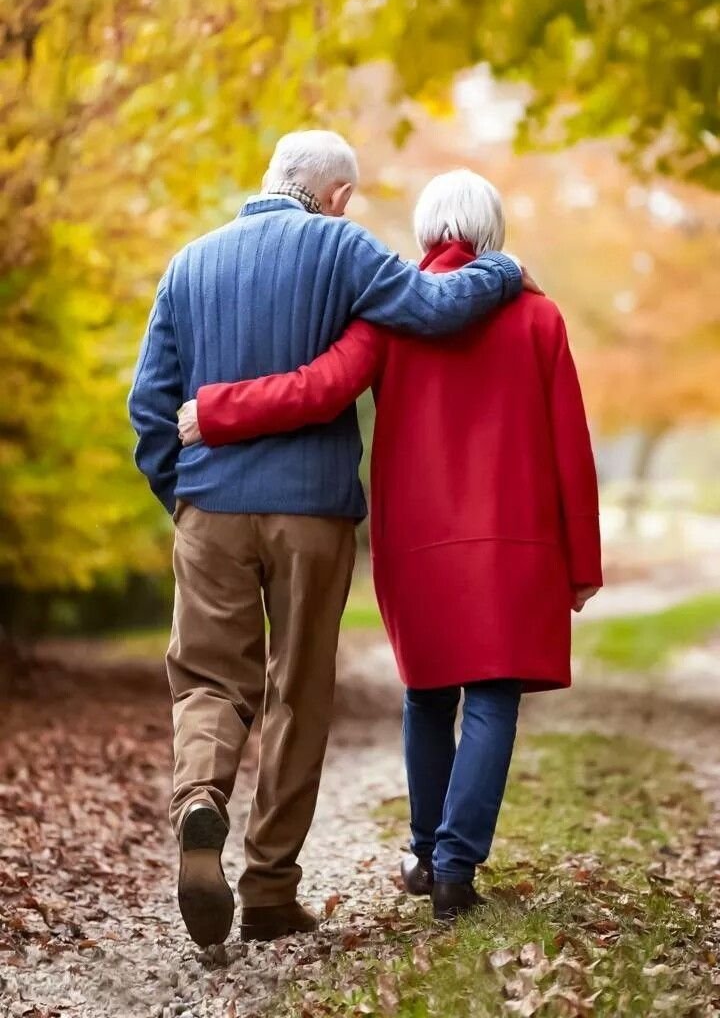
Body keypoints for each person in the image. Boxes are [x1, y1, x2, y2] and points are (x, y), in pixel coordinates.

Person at [128, 135, 533, 948]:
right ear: (339, 195)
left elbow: (150, 402)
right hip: (310, 515)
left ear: (272, 178)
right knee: (297, 692)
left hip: (211, 506)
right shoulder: (344, 247)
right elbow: (437, 309)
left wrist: (182, 494)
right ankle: (271, 889)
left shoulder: (190, 262)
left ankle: (200, 798)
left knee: (209, 677)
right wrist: (501, 268)